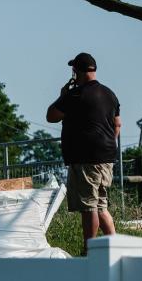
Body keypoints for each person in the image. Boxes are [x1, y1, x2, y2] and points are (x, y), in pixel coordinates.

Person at [46, 52, 122, 253]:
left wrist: (63, 96)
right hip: (107, 158)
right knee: (101, 205)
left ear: (76, 71)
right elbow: (117, 124)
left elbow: (51, 115)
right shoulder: (110, 94)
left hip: (86, 159)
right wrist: (107, 143)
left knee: (89, 207)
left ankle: (91, 251)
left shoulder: (75, 95)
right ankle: (114, 245)